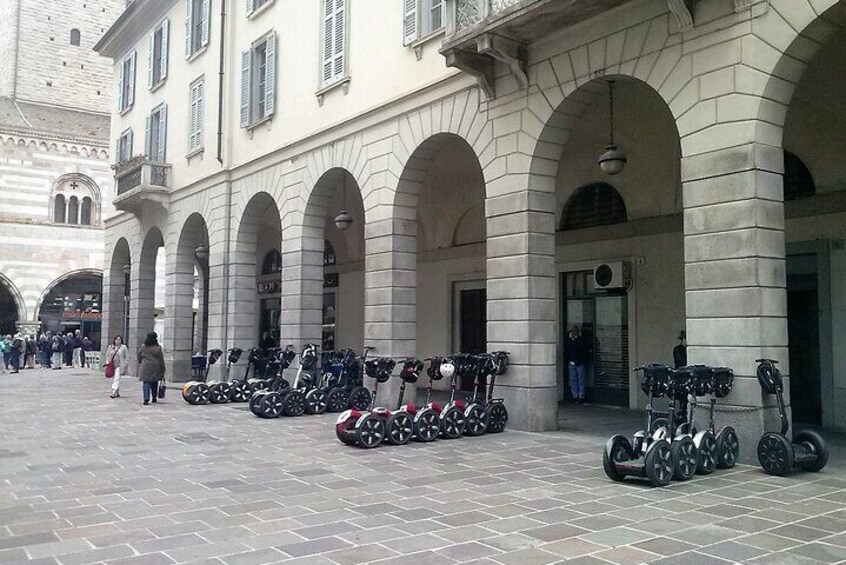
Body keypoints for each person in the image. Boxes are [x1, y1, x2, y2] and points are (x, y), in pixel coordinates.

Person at [137, 331, 166, 405]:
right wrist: (163, 368)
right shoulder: (158, 347)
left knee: (146, 382)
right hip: (155, 367)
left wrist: (140, 361)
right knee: (154, 382)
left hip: (145, 366)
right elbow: (161, 359)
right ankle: (154, 397)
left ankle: (146, 398)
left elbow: (139, 355)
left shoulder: (143, 347)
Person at [566, 325, 589, 404]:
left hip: (579, 362)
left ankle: (581, 396)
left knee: (581, 380)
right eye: (572, 331)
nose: (572, 333)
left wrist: (582, 360)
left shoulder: (580, 340)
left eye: (574, 331)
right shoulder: (569, 341)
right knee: (573, 380)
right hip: (571, 362)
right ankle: (575, 396)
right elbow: (567, 351)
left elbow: (584, 351)